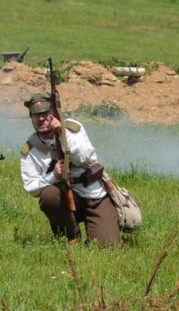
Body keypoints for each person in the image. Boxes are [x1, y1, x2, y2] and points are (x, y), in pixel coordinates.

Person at [20, 92, 121, 245]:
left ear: (54, 113)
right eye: (36, 115)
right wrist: (53, 177)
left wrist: (62, 133)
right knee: (49, 196)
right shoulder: (30, 150)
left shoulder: (72, 128)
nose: (41, 118)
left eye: (45, 113)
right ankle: (71, 235)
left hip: (93, 194)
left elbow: (85, 158)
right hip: (65, 197)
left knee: (108, 246)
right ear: (31, 117)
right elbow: (31, 187)